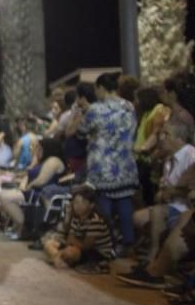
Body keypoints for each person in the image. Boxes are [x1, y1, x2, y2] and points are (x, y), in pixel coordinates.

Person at [68, 73, 139, 250]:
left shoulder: (96, 110)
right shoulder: (129, 106)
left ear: (101, 88)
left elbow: (81, 132)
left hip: (102, 166)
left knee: (103, 205)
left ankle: (105, 244)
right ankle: (128, 241)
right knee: (124, 202)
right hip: (125, 164)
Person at [132, 120, 195, 262]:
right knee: (138, 217)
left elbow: (190, 189)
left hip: (185, 207)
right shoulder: (168, 158)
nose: (161, 138)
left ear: (179, 139)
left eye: (167, 134)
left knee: (157, 213)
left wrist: (172, 192)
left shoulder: (191, 156)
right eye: (162, 133)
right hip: (172, 204)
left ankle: (154, 255)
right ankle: (159, 250)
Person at [43, 183, 115, 271]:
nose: (78, 206)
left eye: (83, 202)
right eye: (76, 202)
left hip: (96, 253)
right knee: (49, 243)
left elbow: (87, 246)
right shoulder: (76, 217)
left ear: (91, 205)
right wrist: (72, 242)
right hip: (78, 247)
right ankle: (61, 260)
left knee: (70, 252)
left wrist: (71, 244)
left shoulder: (95, 220)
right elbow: (70, 238)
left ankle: (59, 259)